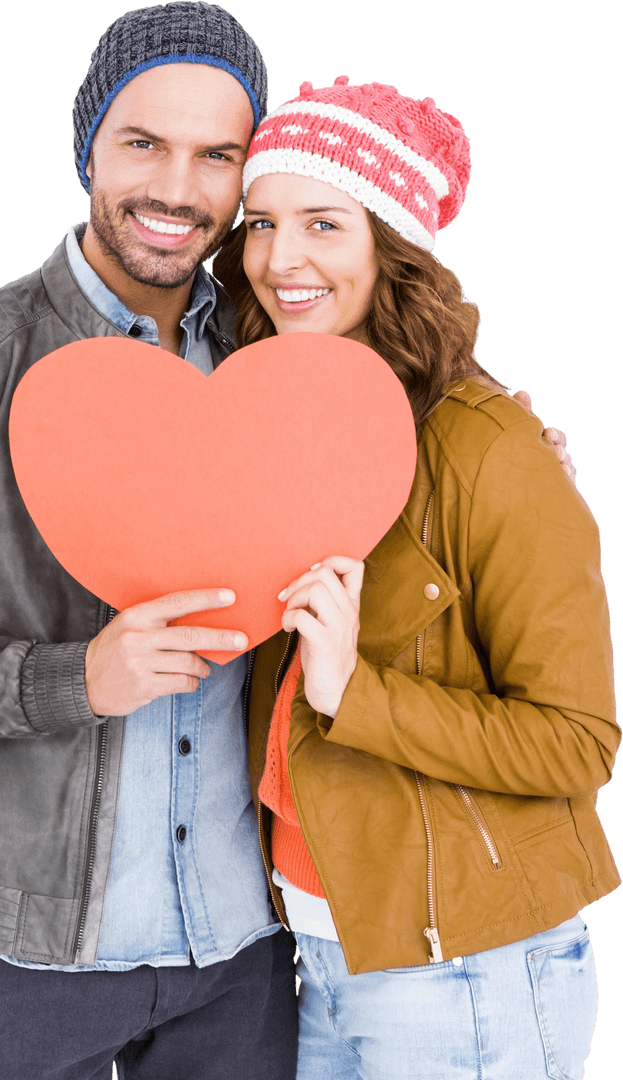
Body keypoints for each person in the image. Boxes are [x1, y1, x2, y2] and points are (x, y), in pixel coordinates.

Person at [0, 2, 575, 1076]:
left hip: (247, 952)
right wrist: (72, 678)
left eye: (217, 155)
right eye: (143, 143)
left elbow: (397, 446)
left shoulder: (279, 350)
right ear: (88, 146)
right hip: (31, 953)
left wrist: (514, 462)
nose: (177, 189)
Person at [211, 77, 618, 1079]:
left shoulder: (488, 447)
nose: (279, 258)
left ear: (392, 246)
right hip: (309, 946)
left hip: (464, 969)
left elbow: (580, 744)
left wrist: (357, 692)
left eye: (323, 223)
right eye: (261, 222)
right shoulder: (272, 430)